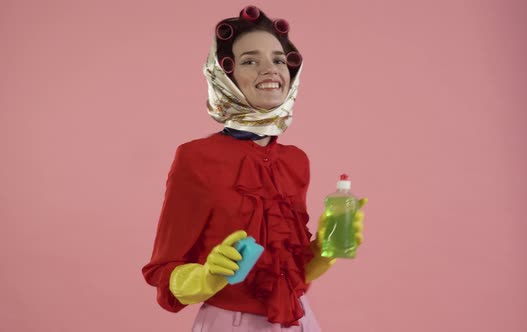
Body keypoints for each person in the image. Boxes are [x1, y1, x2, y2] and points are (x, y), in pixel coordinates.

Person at [141, 6, 367, 331]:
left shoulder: (296, 161)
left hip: (298, 319)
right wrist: (207, 277)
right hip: (229, 323)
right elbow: (162, 268)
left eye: (278, 59)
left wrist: (326, 249)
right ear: (225, 76)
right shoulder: (196, 157)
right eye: (250, 60)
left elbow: (291, 270)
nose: (270, 69)